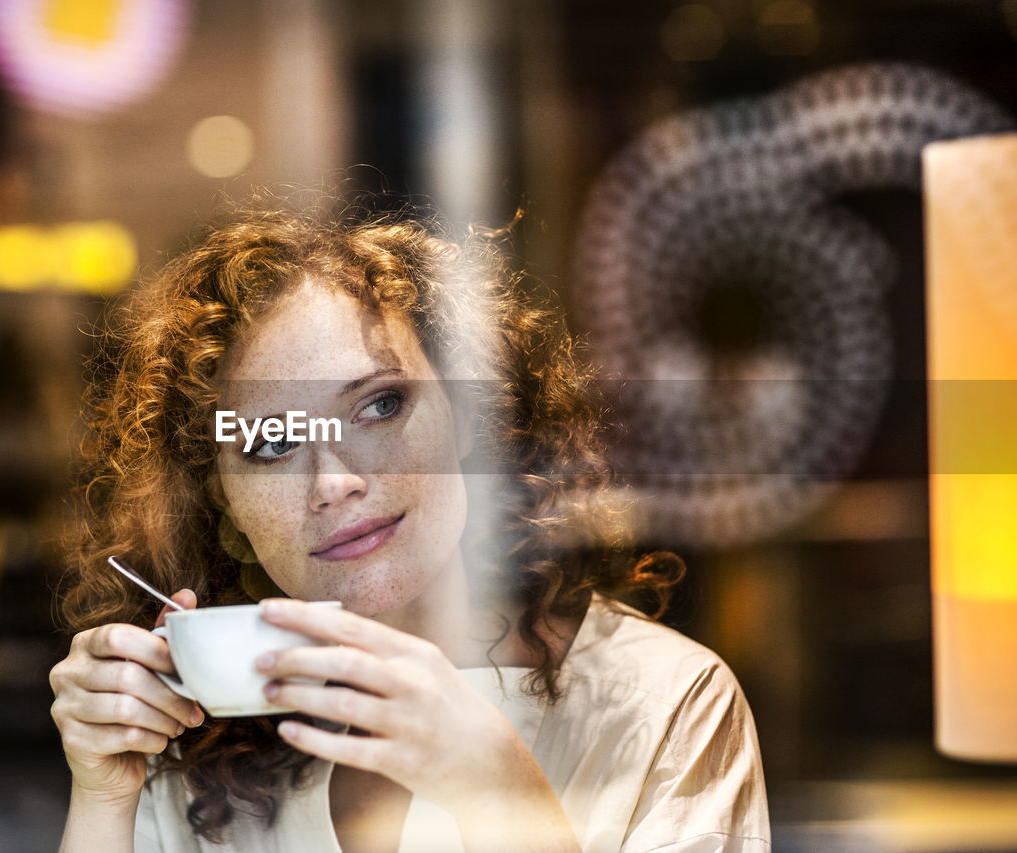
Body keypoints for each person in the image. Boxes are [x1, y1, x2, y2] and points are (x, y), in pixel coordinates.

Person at [49, 196, 771, 852]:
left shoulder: (665, 703)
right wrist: (104, 794)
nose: (334, 483)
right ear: (226, 514)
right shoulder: (196, 744)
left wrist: (501, 792)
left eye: (380, 405)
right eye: (270, 443)